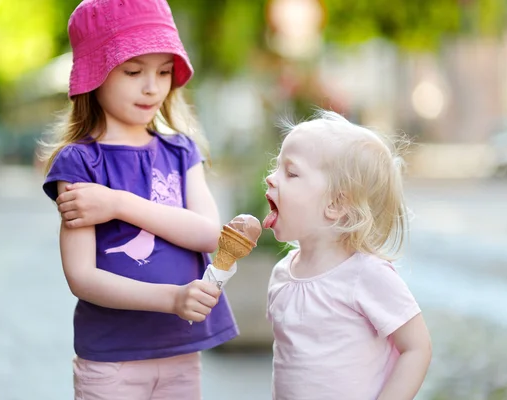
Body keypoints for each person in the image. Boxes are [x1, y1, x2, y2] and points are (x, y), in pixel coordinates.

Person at [39, 0, 238, 398]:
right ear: (95, 74)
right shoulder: (79, 161)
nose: (153, 87)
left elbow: (209, 235)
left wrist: (118, 204)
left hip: (181, 351)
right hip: (112, 360)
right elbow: (82, 278)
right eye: (133, 71)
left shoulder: (181, 150)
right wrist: (172, 298)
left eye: (164, 72)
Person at [263, 110, 432, 400]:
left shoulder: (365, 274)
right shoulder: (282, 273)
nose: (271, 178)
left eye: (290, 173)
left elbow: (417, 347)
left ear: (336, 203)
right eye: (276, 167)